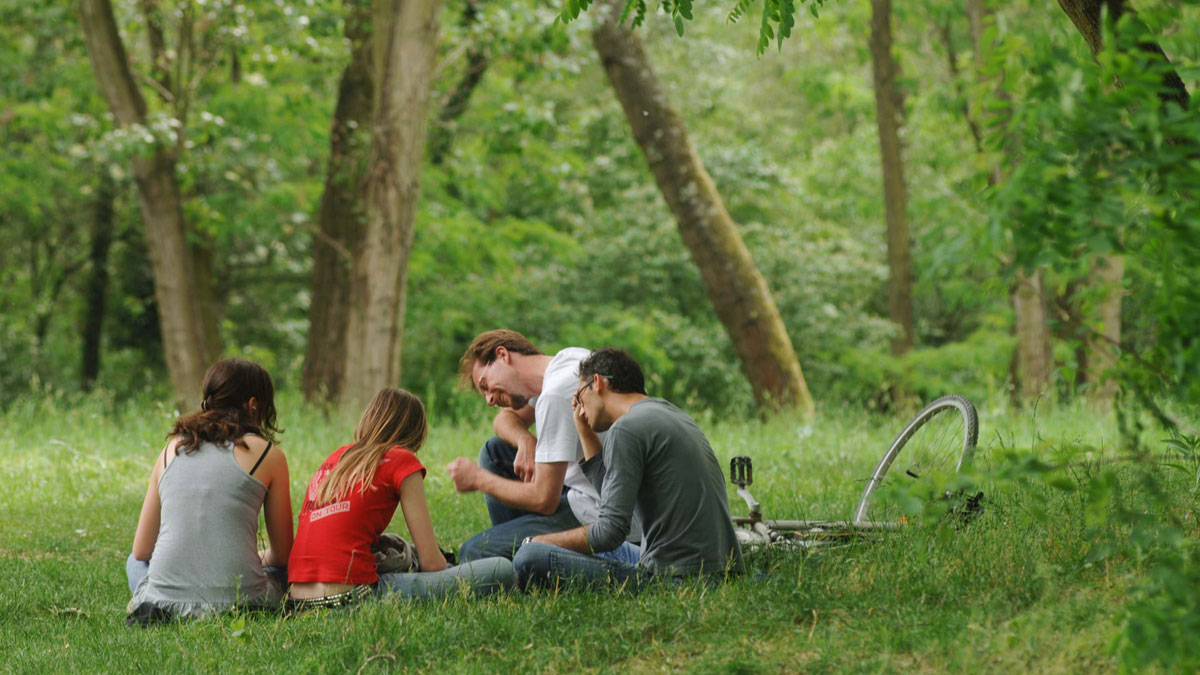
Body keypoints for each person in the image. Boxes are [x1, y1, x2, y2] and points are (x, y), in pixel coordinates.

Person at [513, 348, 744, 590]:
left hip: (678, 578)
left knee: (530, 558)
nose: (580, 409)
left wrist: (536, 542)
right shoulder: (666, 412)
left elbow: (609, 532)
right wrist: (584, 430)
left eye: (580, 397)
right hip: (717, 568)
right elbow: (609, 495)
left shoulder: (626, 429)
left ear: (598, 383)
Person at [287, 388, 515, 608]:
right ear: (414, 433)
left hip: (299, 598)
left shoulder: (335, 459)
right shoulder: (401, 459)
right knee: (501, 569)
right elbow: (431, 563)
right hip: (352, 596)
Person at [445, 330, 640, 563]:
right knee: (495, 451)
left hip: (606, 513)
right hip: (595, 489)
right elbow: (504, 420)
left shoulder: (554, 395)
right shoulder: (568, 360)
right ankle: (522, 545)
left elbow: (544, 500)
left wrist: (478, 479)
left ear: (502, 355)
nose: (489, 400)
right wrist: (525, 440)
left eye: (486, 385)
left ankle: (525, 557)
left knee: (477, 552)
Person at [126, 358, 293, 623]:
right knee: (284, 571)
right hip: (245, 602)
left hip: (163, 603)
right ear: (253, 405)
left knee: (133, 564)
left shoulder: (171, 450)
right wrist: (255, 557)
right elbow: (283, 554)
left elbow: (142, 551)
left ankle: (161, 603)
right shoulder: (269, 455)